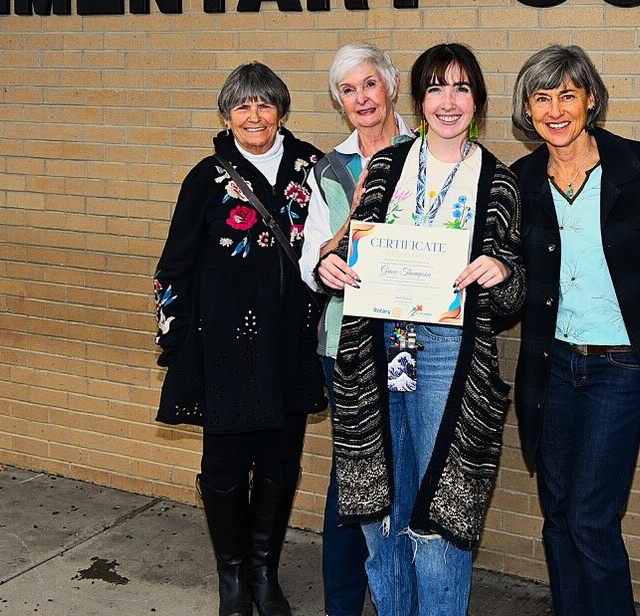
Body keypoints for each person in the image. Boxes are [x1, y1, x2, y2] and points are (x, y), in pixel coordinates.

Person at [316, 43, 525, 616]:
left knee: (438, 515)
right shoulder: (387, 166)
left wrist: (501, 270)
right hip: (375, 348)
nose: (448, 101)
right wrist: (328, 265)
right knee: (381, 510)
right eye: (436, 88)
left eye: (461, 88)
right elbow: (346, 243)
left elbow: (512, 294)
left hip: (450, 357)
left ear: (478, 100)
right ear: (419, 100)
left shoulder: (499, 182)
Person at [510, 45, 640, 616]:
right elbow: (503, 275)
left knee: (590, 516)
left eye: (567, 94)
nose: (555, 110)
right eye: (542, 97)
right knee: (557, 513)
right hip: (553, 365)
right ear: (527, 109)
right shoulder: (520, 182)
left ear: (590, 99)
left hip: (622, 367)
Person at [153, 62, 324, 616]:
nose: (255, 115)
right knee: (225, 464)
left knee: (280, 459)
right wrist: (177, 343)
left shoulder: (313, 167)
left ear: (281, 110)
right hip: (224, 348)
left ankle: (262, 572)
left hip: (290, 345)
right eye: (243, 105)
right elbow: (172, 268)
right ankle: (231, 576)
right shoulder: (206, 177)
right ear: (227, 114)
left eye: (265, 104)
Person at [299, 42, 414, 616]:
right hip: (346, 340)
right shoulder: (329, 167)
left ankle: (406, 598)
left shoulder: (434, 148)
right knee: (353, 474)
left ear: (391, 85)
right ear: (339, 101)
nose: (362, 99)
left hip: (419, 340)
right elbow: (310, 261)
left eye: (370, 84)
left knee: (411, 470)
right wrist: (357, 206)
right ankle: (342, 605)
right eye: (348, 90)